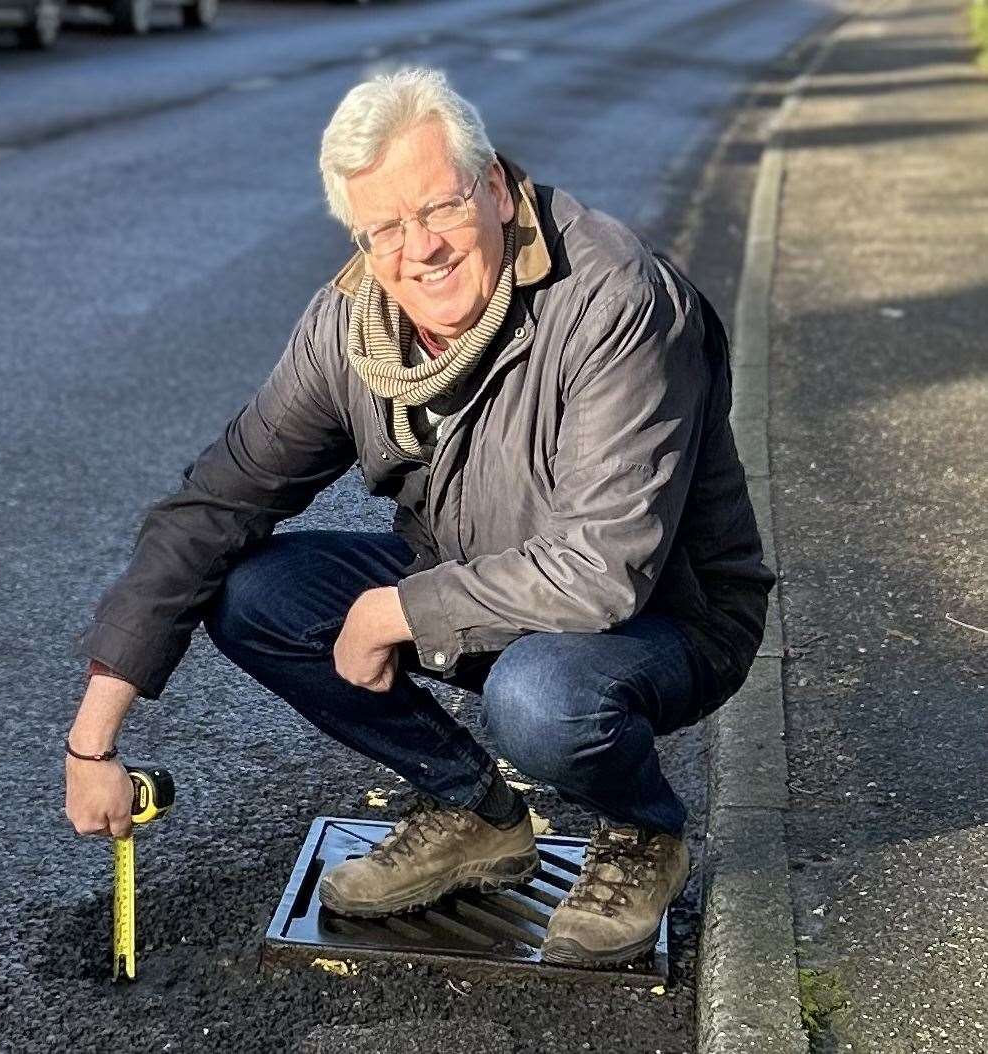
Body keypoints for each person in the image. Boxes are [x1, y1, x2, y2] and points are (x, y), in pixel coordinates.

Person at [64, 67, 774, 967]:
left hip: (665, 616)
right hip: (483, 584)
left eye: (438, 209)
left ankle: (642, 830)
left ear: (490, 184)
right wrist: (94, 740)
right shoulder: (353, 327)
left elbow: (600, 567)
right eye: (385, 228)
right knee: (251, 592)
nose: (420, 250)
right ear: (359, 237)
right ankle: (472, 811)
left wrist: (395, 611)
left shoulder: (615, 301)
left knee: (539, 698)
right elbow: (216, 500)